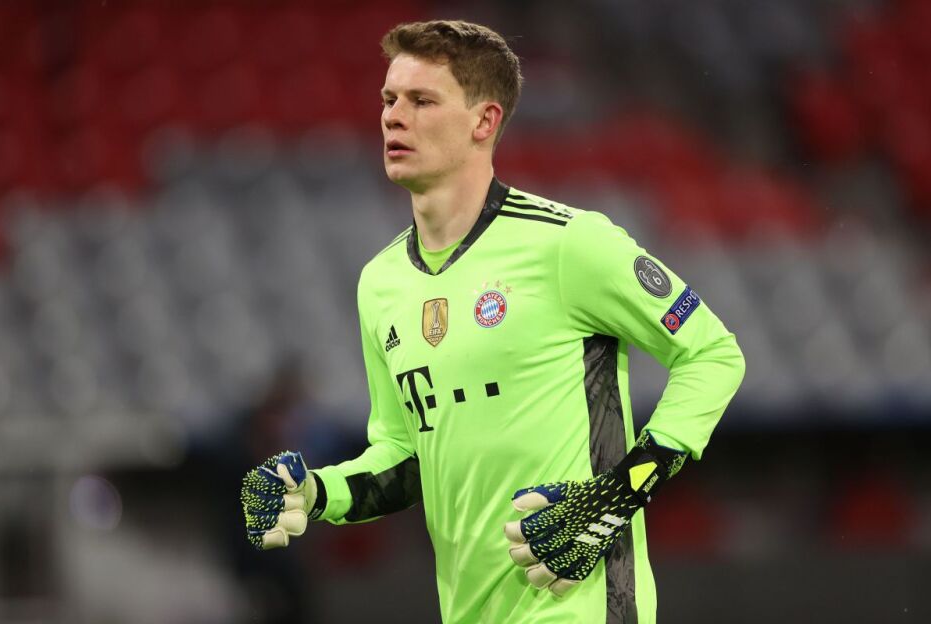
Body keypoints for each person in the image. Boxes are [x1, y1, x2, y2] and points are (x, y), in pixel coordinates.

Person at [241, 20, 745, 624]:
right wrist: (316, 492)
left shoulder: (570, 245)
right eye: (389, 99)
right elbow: (407, 456)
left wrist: (618, 494)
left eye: (422, 101)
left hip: (583, 608)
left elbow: (713, 354)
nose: (394, 117)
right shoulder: (380, 283)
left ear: (484, 121)